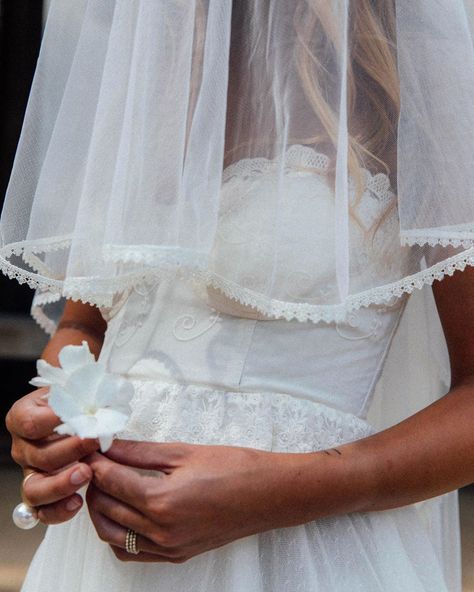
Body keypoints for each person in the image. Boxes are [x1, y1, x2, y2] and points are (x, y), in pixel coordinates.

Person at [2, 1, 474, 590]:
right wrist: (50, 427)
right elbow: (86, 330)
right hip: (101, 559)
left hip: (304, 560)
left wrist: (293, 488)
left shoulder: (408, 72)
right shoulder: (145, 66)